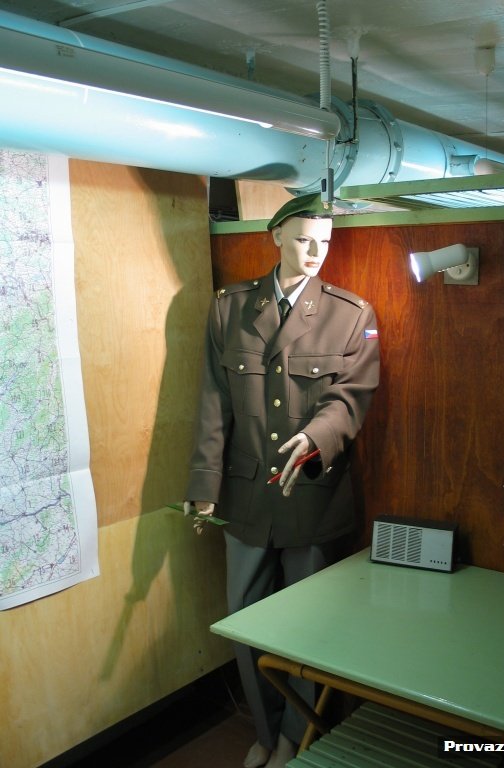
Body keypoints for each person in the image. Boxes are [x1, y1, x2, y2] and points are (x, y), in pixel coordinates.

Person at [184, 193, 380, 768]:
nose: (316, 251)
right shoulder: (230, 308)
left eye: (325, 241)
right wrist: (203, 486)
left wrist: (316, 438)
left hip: (312, 494)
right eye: (302, 239)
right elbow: (213, 403)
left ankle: (300, 736)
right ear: (275, 237)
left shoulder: (351, 314)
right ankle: (268, 734)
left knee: (310, 625)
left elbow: (351, 397)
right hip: (244, 495)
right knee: (246, 620)